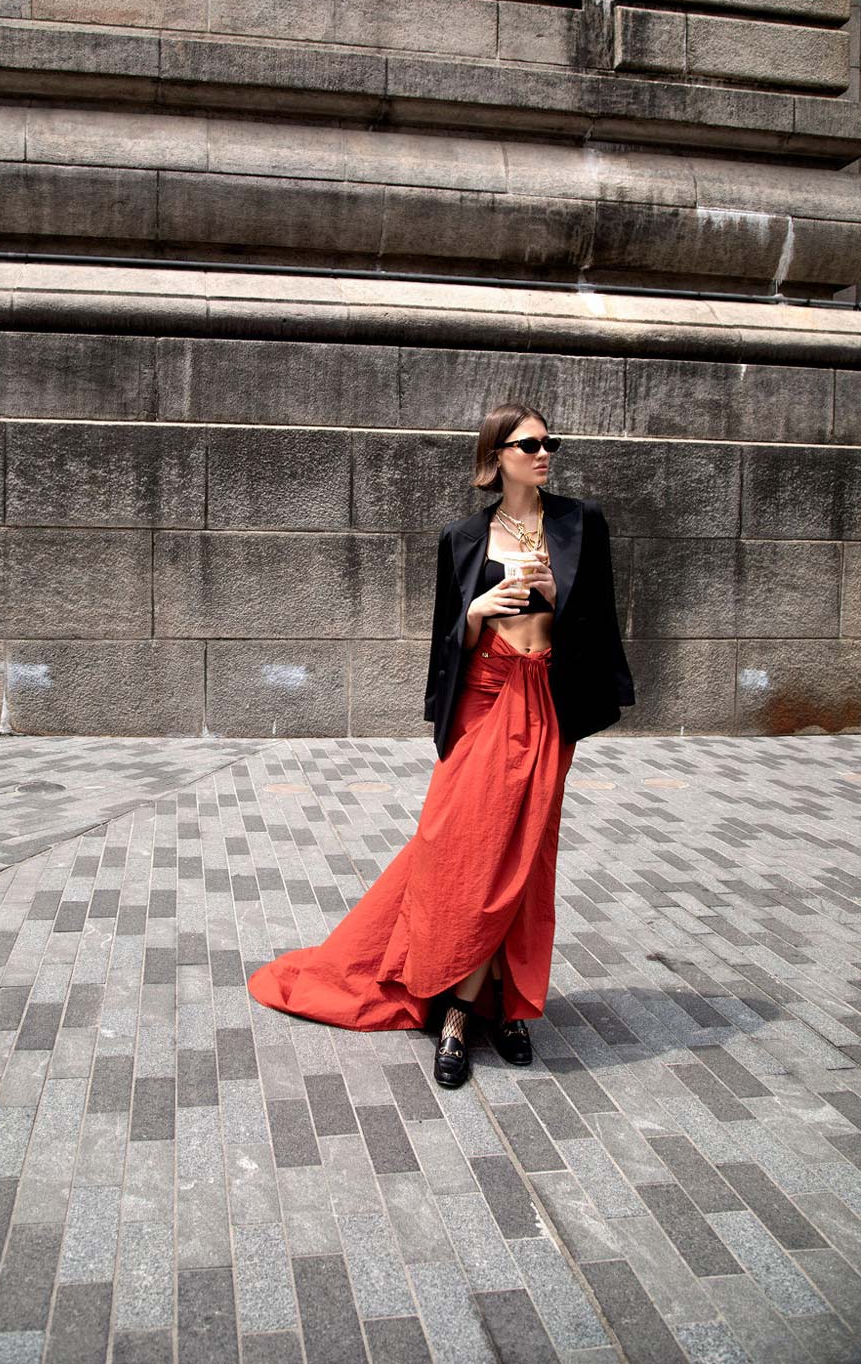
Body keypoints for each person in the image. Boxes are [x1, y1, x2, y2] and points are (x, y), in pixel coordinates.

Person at [248, 400, 635, 1087]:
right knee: (459, 850)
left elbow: (601, 628)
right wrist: (478, 614)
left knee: (524, 859)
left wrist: (557, 596)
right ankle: (460, 1004)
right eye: (530, 444)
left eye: (551, 443)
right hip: (484, 708)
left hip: (546, 704)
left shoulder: (580, 524)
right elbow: (444, 646)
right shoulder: (462, 539)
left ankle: (494, 1010)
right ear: (497, 457)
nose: (545, 454)